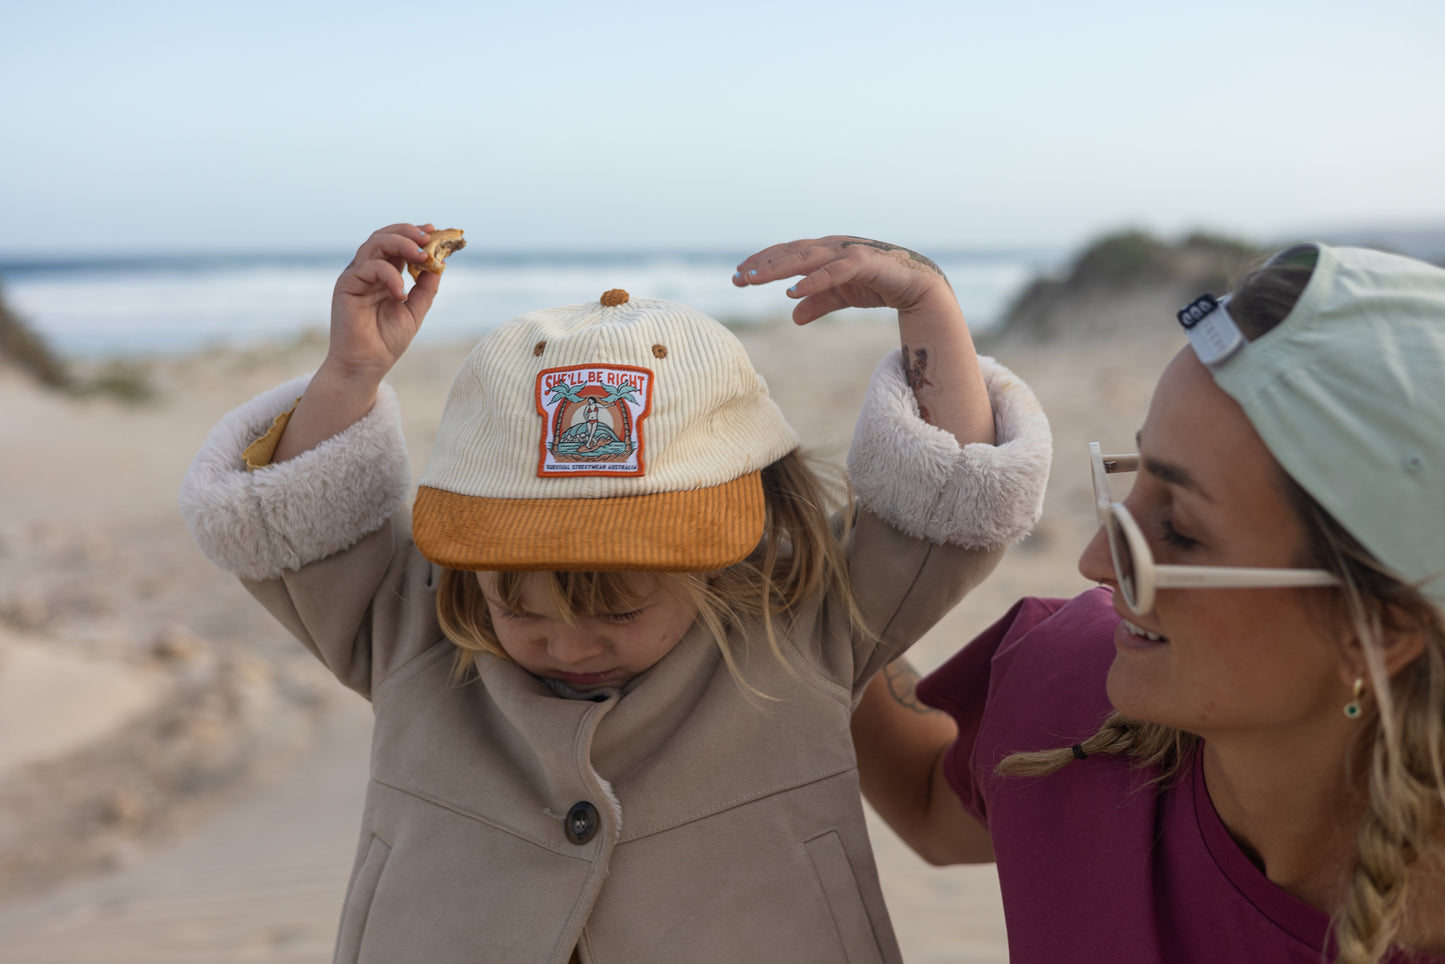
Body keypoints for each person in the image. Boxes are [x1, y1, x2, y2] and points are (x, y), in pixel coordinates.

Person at [178, 224, 1052, 964]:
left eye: (619, 609)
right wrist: (349, 376)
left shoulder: (803, 627)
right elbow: (302, 524)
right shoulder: (415, 631)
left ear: (733, 555)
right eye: (516, 607)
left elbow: (945, 502)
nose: (564, 643)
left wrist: (926, 308)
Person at [852, 241, 1445, 964]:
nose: (1094, 564)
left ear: (1379, 629)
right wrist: (816, 585)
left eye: (1179, 531)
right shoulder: (1063, 689)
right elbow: (922, 796)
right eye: (1131, 485)